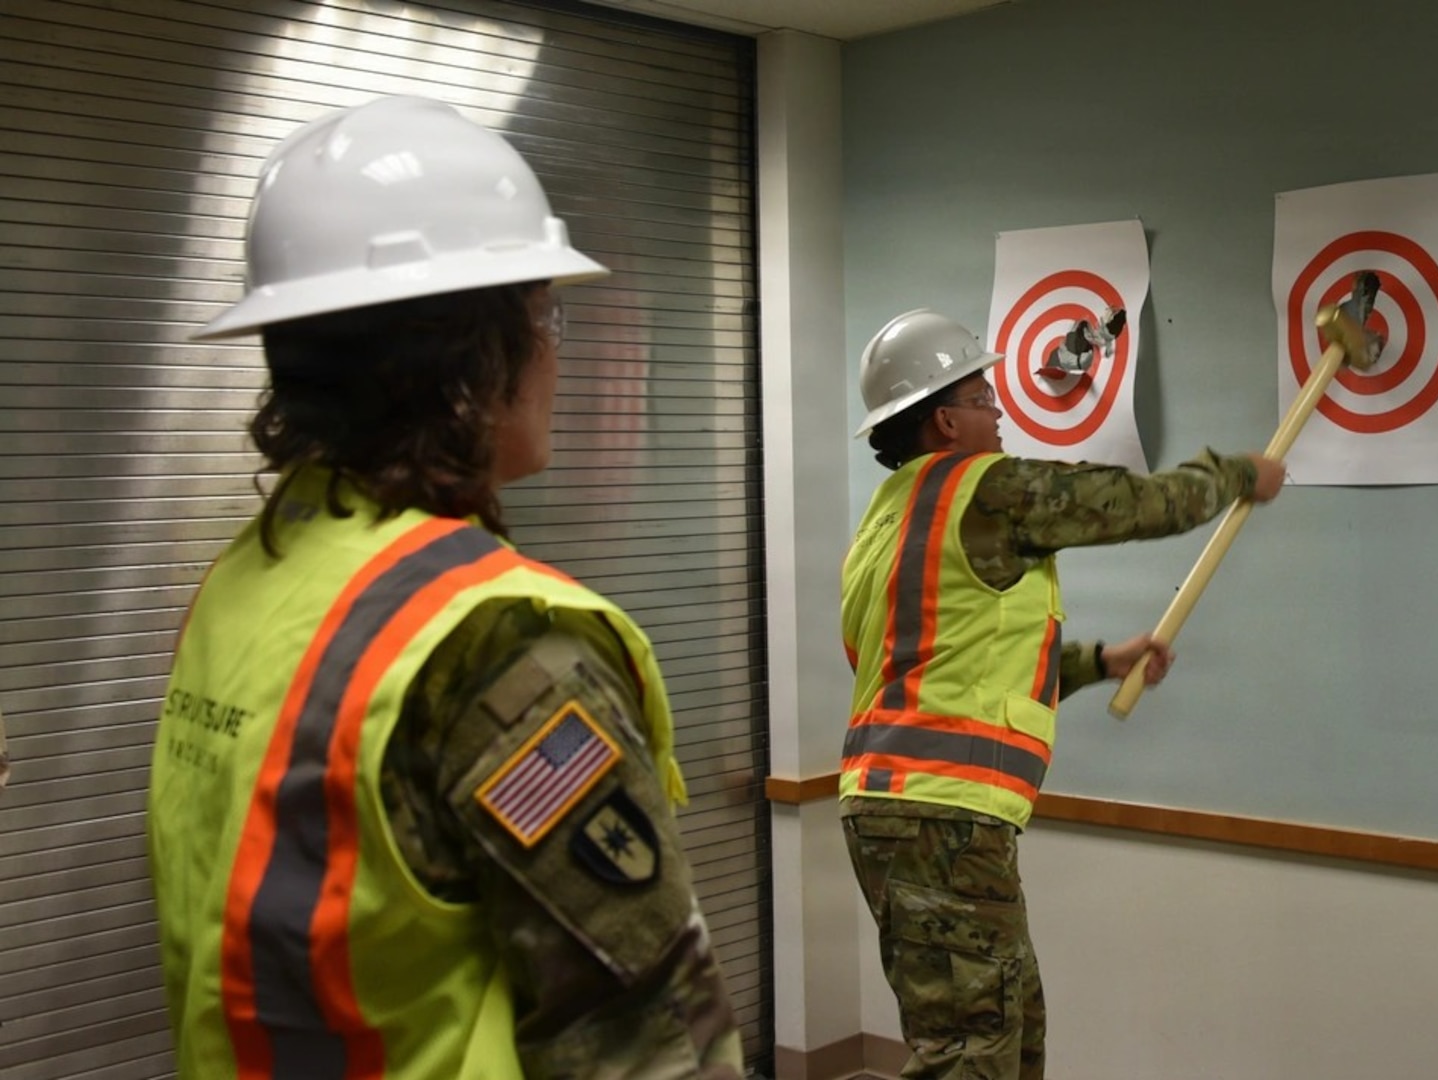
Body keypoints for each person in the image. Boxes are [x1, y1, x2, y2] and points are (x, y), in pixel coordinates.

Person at [147, 95, 742, 1080]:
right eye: (545, 312)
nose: (559, 349)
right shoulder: (498, 648)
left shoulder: (247, 586)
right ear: (468, 358)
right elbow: (649, 1043)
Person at [838, 308, 1286, 1080]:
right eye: (983, 397)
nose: (1000, 409)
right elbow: (1138, 504)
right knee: (972, 1053)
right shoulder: (988, 490)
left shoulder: (887, 519)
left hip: (898, 813)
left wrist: (1095, 662)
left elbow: (944, 663)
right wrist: (1237, 474)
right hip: (946, 817)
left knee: (1007, 1031)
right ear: (945, 421)